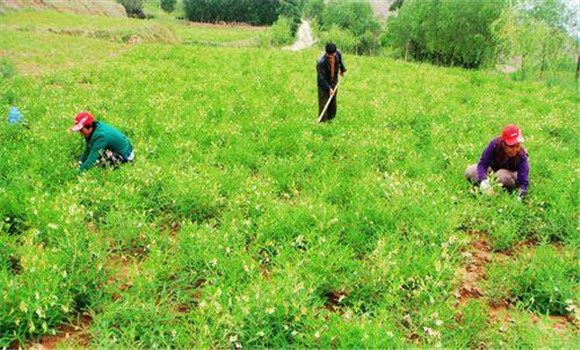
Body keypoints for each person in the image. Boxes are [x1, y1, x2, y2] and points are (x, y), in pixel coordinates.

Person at [465, 124, 529, 198]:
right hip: (493, 169)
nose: (514, 150)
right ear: (504, 144)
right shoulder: (494, 145)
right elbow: (482, 164)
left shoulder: (521, 155)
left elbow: (523, 181)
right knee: (470, 172)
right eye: (511, 146)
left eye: (517, 146)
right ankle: (488, 184)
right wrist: (483, 180)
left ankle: (499, 187)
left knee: (501, 176)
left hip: (509, 174)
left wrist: (521, 195)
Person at [317, 42, 346, 122]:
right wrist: (328, 88)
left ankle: (331, 118)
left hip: (334, 80)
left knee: (333, 102)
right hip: (323, 84)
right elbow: (321, 78)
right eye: (329, 56)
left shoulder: (338, 53)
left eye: (333, 55)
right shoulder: (320, 62)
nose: (331, 58)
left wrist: (343, 69)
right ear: (326, 54)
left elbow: (341, 61)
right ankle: (323, 121)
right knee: (324, 102)